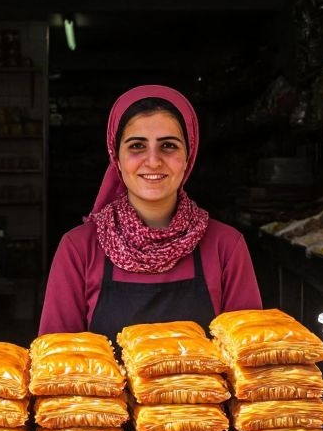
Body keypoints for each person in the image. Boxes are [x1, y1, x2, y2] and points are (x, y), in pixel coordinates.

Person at [39, 85, 262, 337]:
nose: (154, 161)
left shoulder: (226, 247)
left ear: (188, 157)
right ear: (117, 158)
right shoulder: (79, 249)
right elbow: (55, 363)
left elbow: (251, 355)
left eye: (168, 145)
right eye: (137, 146)